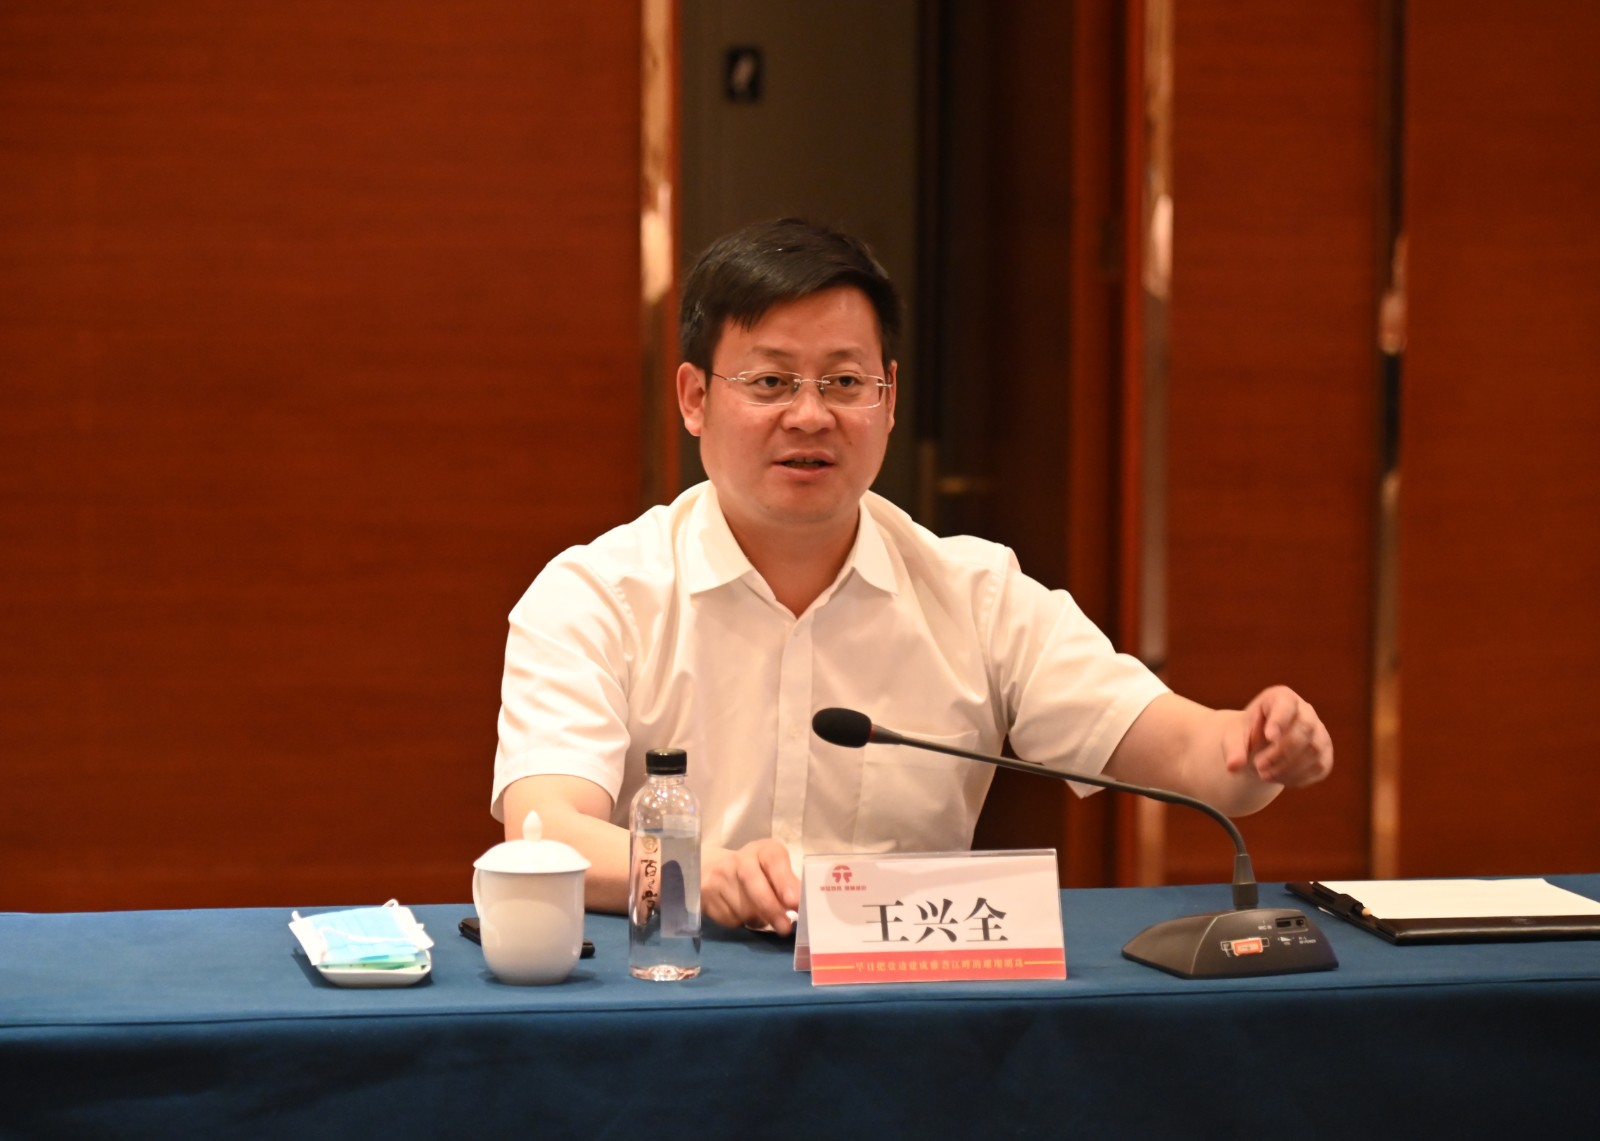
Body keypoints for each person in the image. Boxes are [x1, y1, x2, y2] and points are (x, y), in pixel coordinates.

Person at [493, 218, 1332, 937]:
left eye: (844, 382)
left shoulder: (977, 595)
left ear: (889, 400)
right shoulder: (596, 596)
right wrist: (697, 872)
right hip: (675, 995)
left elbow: (1192, 754)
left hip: (909, 1008)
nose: (810, 414)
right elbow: (545, 831)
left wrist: (1257, 745)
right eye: (771, 381)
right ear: (694, 397)